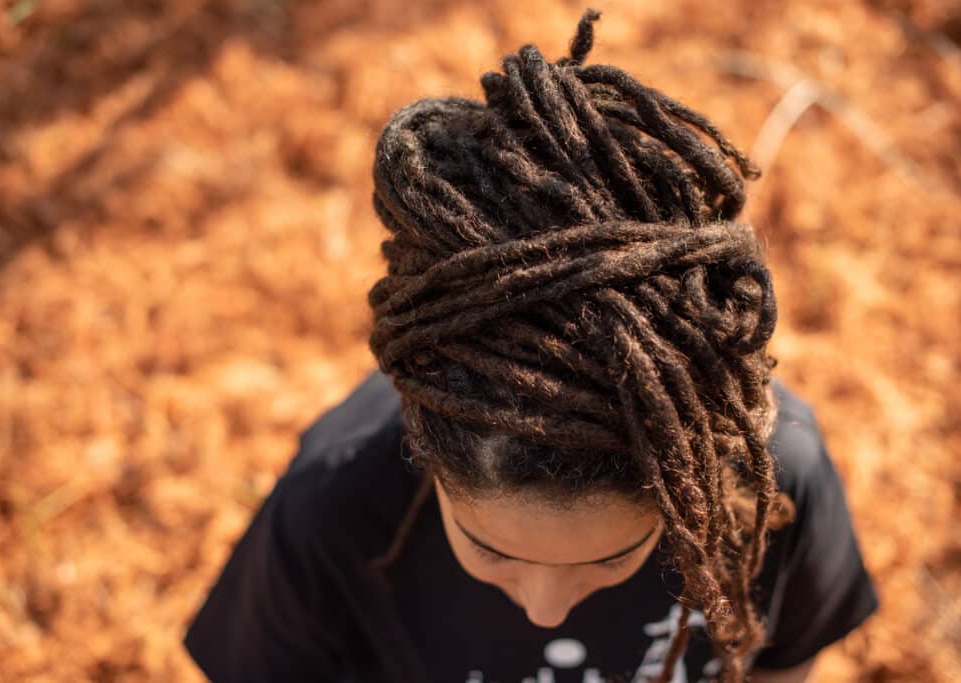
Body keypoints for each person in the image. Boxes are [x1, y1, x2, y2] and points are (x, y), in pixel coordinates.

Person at [183, 10, 878, 683]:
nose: (546, 610)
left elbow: (782, 661)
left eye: (612, 560)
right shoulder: (330, 513)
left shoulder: (773, 484)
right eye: (488, 550)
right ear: (423, 453)